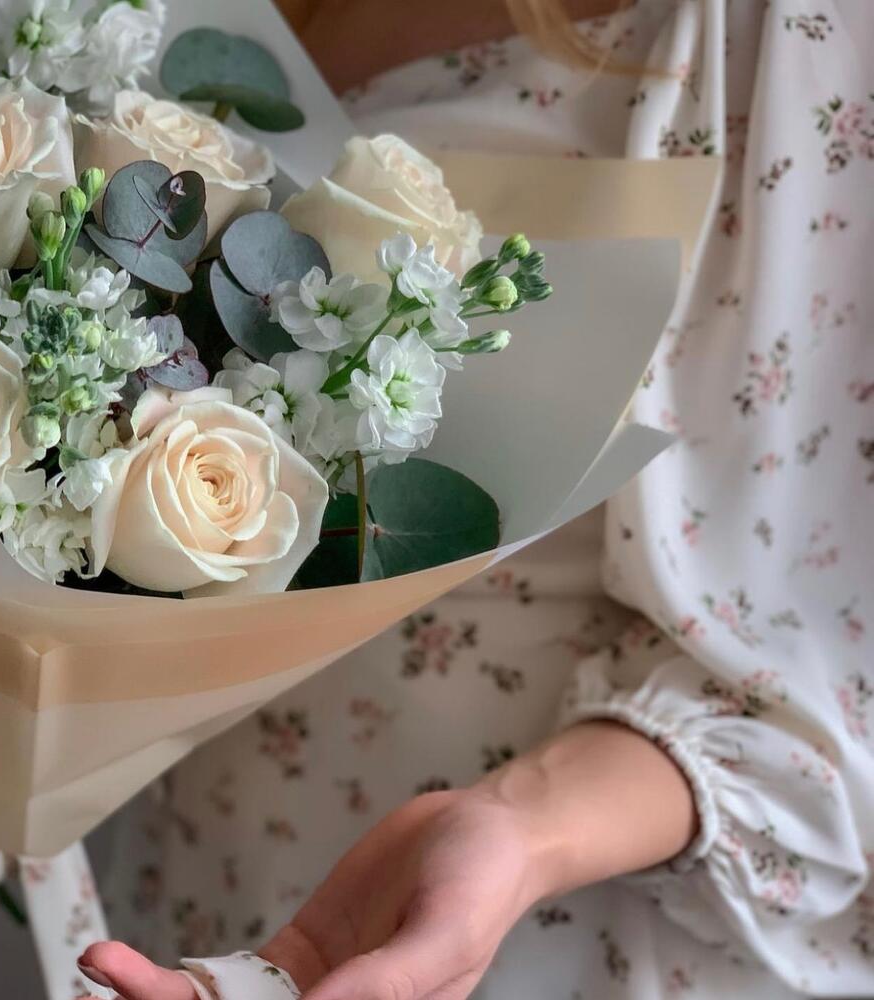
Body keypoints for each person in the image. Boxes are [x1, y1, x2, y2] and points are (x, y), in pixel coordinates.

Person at [77, 1, 874, 997]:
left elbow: (824, 648)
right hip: (196, 873)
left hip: (528, 917)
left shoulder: (792, 34)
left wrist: (519, 831)